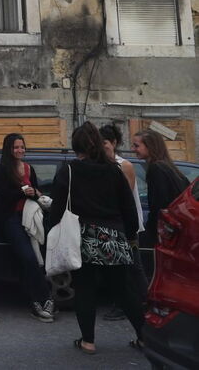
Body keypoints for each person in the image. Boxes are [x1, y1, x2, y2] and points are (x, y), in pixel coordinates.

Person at [50, 122, 142, 355]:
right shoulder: (113, 170)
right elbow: (128, 208)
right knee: (123, 290)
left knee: (85, 289)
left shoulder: (68, 171)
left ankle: (88, 341)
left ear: (75, 145)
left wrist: (50, 234)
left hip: (82, 237)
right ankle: (144, 337)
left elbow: (57, 208)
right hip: (113, 236)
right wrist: (130, 236)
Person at [0, 133, 55, 322]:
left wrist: (34, 192)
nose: (20, 150)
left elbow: (35, 192)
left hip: (31, 217)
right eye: (16, 147)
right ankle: (44, 299)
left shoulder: (29, 168)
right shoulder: (2, 169)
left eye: (22, 147)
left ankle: (37, 301)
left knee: (35, 258)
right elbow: (1, 195)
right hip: (11, 219)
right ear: (9, 149)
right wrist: (21, 192)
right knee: (29, 258)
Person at [100, 124, 146, 322]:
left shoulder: (123, 165)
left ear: (114, 143)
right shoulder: (102, 164)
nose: (102, 147)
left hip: (127, 225)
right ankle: (123, 304)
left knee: (134, 266)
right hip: (113, 224)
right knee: (122, 267)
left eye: (105, 143)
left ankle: (144, 303)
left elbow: (123, 198)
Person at [132, 129, 189, 250]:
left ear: (150, 146)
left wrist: (151, 230)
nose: (133, 149)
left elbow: (158, 204)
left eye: (137, 146)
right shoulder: (168, 167)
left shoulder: (156, 169)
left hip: (165, 232)